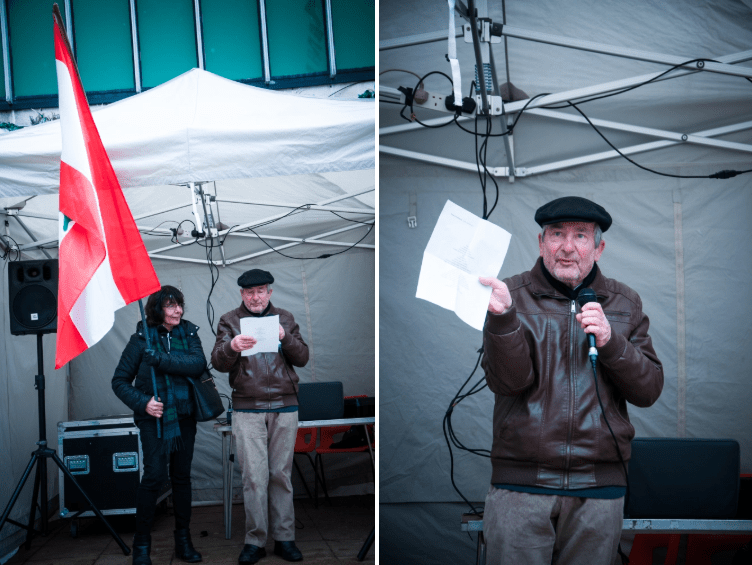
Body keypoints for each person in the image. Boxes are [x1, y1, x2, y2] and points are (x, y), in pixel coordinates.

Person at [478, 196, 664, 565]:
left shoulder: (625, 303)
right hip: (521, 484)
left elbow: (648, 390)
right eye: (556, 234)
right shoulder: (507, 296)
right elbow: (509, 384)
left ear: (599, 248)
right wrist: (502, 321)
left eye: (580, 236)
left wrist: (611, 342)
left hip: (599, 488)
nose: (567, 247)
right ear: (541, 242)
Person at [211, 269, 309, 565]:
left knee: (280, 475)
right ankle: (255, 540)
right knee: (254, 478)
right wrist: (231, 347)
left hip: (284, 406)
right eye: (249, 292)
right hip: (247, 408)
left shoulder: (286, 318)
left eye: (261, 291)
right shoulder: (229, 320)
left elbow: (302, 357)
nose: (256, 297)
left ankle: (284, 538)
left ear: (270, 292)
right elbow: (217, 362)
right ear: (242, 294)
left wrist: (285, 338)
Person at [112, 286, 206, 565]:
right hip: (153, 420)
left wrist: (162, 359)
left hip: (185, 417)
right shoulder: (141, 339)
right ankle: (142, 546)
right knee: (153, 476)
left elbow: (197, 364)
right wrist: (144, 403)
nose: (178, 310)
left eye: (179, 304)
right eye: (170, 305)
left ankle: (183, 542)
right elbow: (119, 381)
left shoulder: (189, 333)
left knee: (181, 477)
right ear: (157, 309)